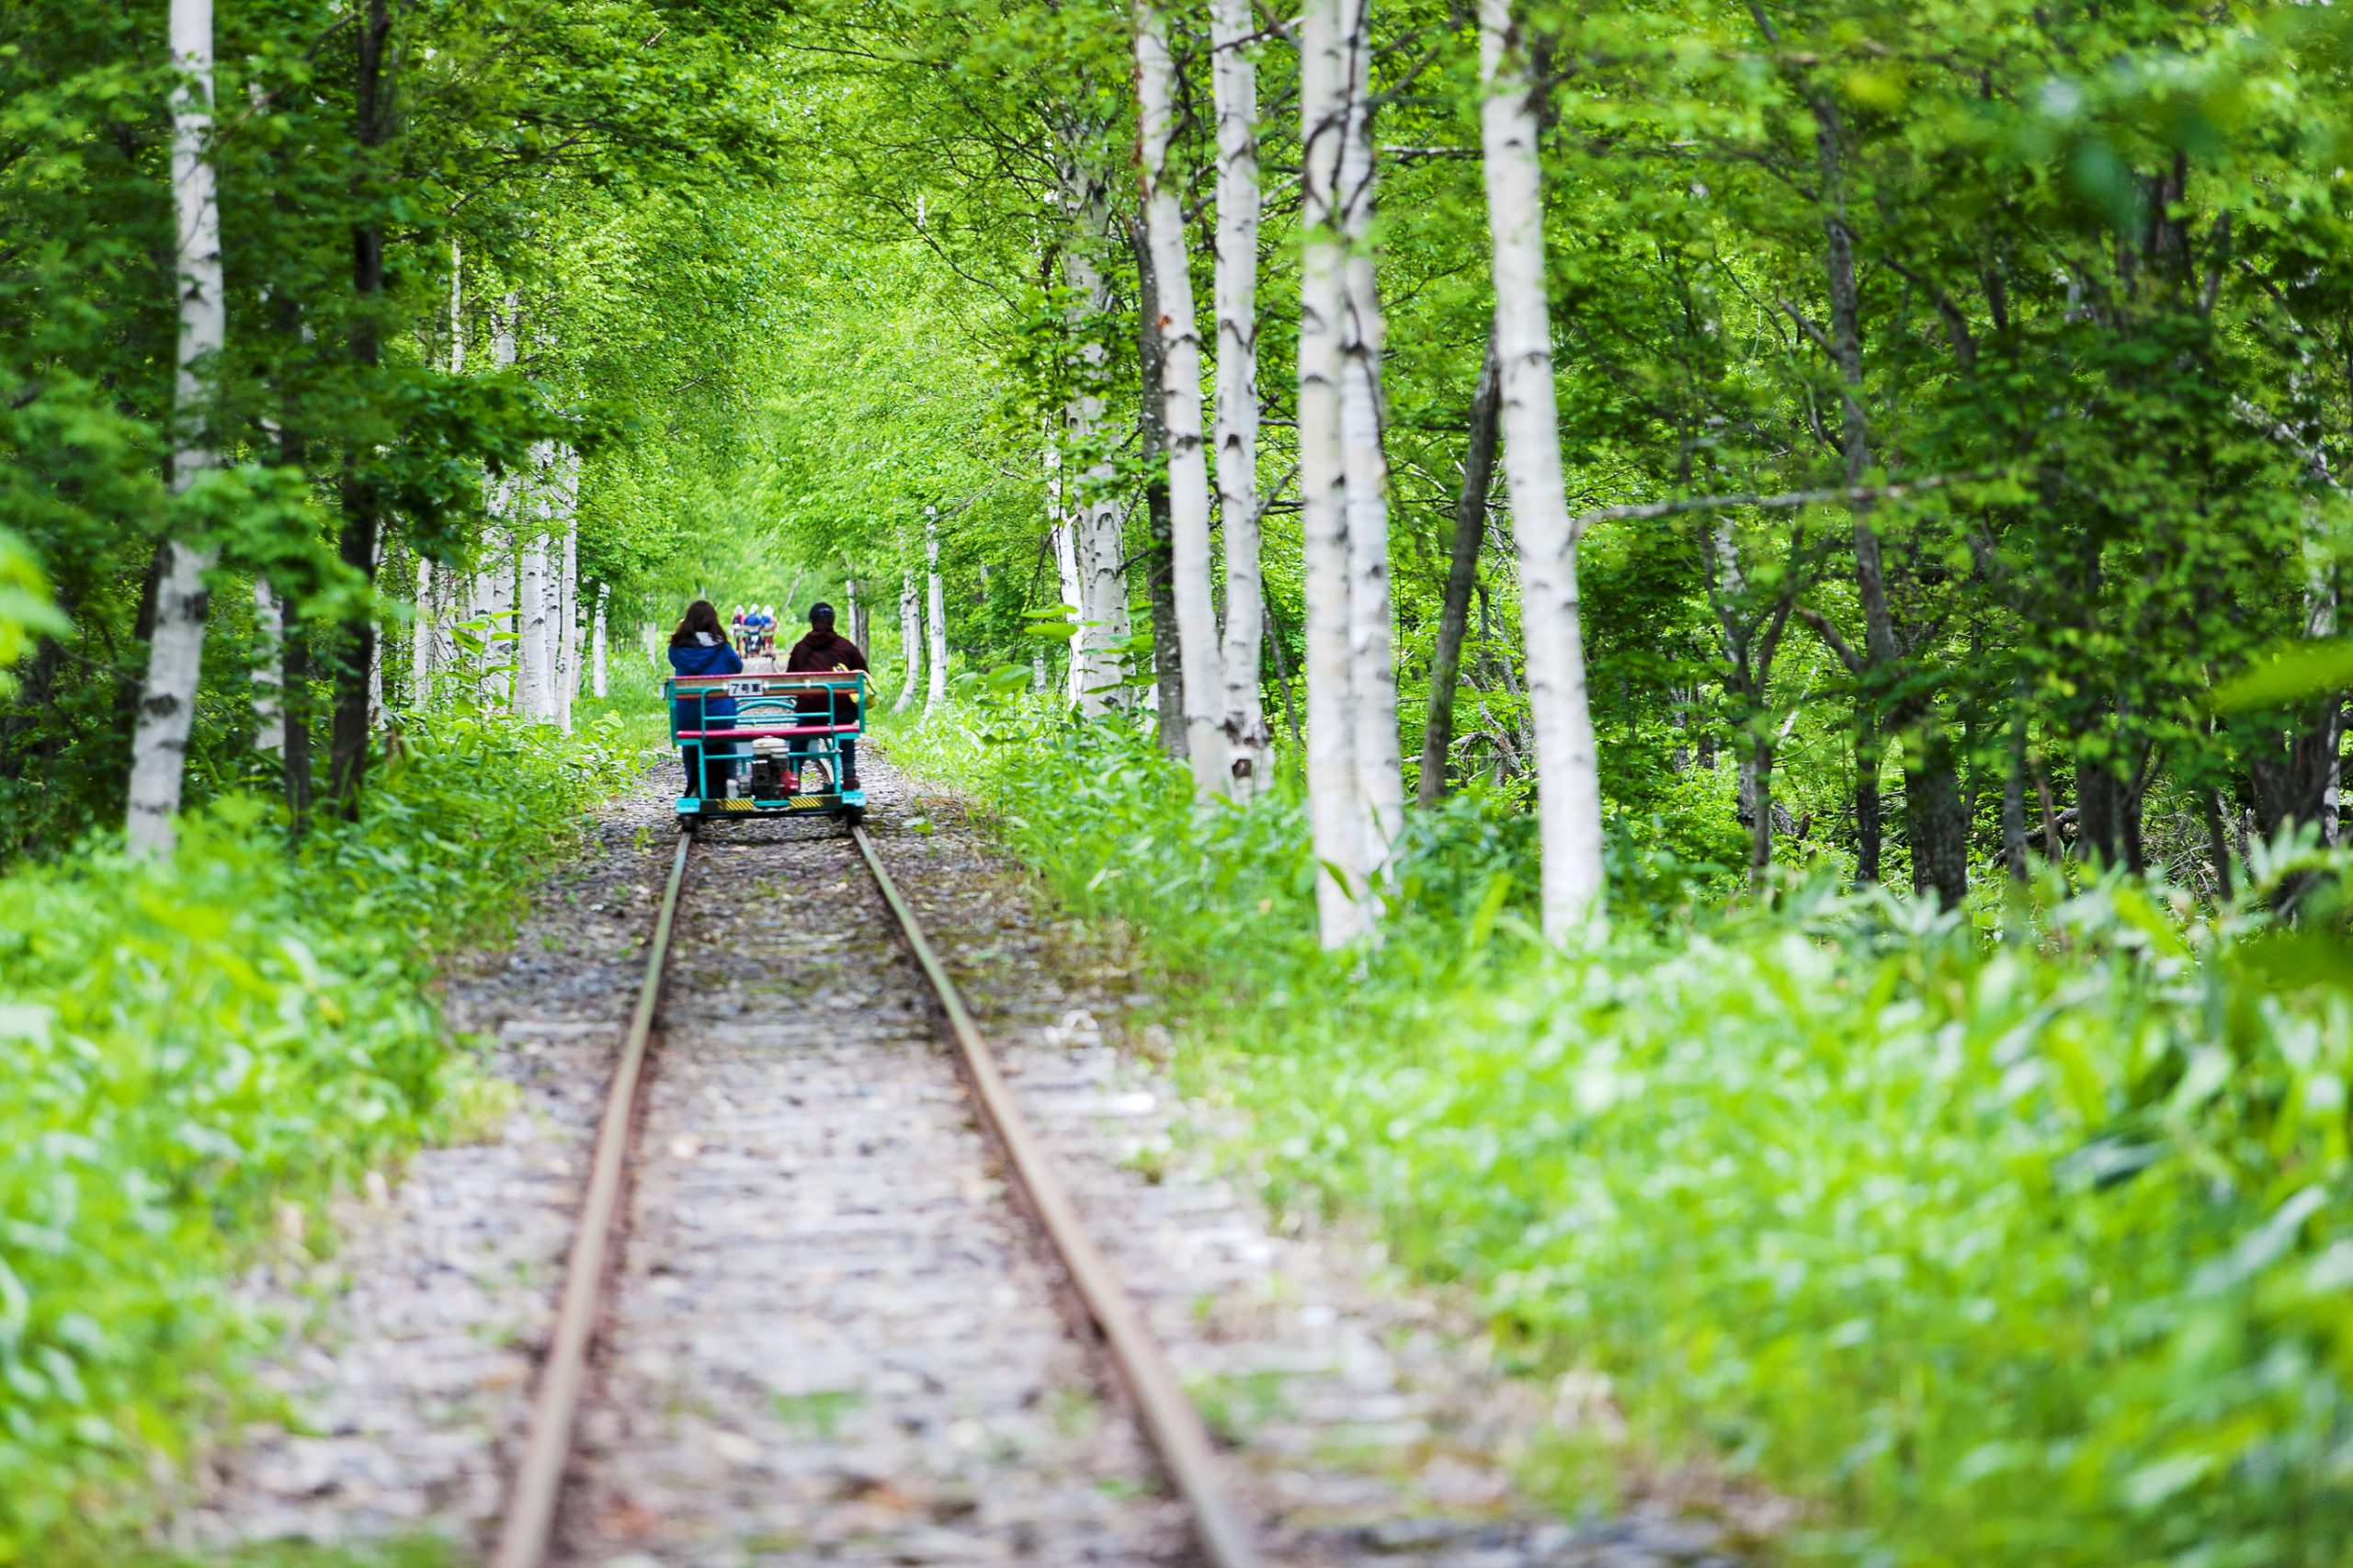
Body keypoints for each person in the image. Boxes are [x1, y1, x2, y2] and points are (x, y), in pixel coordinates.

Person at [785, 601, 868, 790]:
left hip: (811, 714)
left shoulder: (800, 649)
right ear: (833, 621)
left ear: (812, 622)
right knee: (845, 729)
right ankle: (848, 775)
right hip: (841, 713)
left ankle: (793, 778)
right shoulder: (846, 647)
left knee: (800, 734)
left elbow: (788, 682)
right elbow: (864, 675)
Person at [668, 600, 744, 799]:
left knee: (691, 741)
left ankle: (693, 783)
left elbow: (674, 661)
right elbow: (738, 667)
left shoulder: (676, 648)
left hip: (688, 717)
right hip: (718, 716)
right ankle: (730, 779)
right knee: (726, 733)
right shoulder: (721, 646)